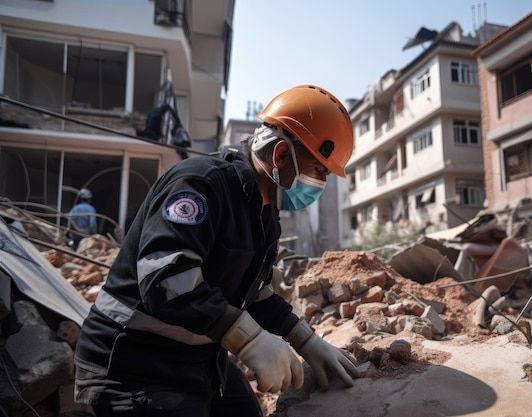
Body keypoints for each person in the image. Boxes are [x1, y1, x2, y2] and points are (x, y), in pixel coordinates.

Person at [74, 84, 360, 417]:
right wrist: (247, 338)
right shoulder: (201, 184)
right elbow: (166, 279)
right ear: (281, 155)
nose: (320, 185)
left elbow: (257, 294)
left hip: (197, 361)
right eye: (318, 171)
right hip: (131, 365)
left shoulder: (266, 215)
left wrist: (305, 340)